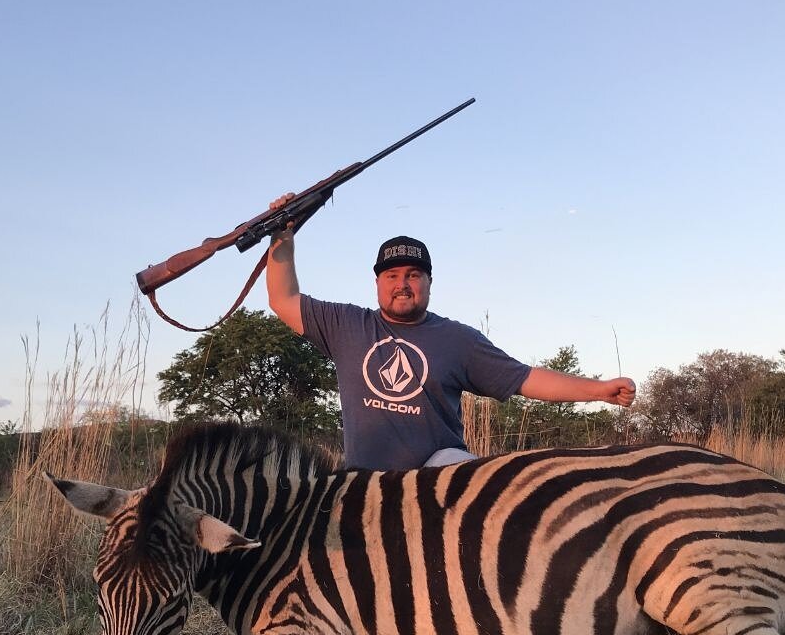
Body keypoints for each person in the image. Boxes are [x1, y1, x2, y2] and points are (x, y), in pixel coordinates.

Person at [265, 194, 636, 470]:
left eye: (413, 275)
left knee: (456, 464)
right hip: (365, 487)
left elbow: (525, 378)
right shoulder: (345, 325)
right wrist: (282, 237)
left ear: (429, 282)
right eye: (392, 275)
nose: (402, 284)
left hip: (438, 486)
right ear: (377, 283)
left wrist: (597, 390)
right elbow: (283, 299)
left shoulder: (459, 340)